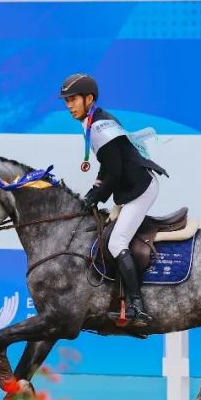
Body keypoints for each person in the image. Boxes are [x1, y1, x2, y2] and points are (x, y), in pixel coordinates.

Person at [60, 73, 168, 328]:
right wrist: (94, 192)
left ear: (89, 99)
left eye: (73, 99)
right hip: (127, 188)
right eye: (66, 101)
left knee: (116, 241)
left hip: (139, 190)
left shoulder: (99, 127)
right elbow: (108, 166)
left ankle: (137, 305)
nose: (69, 106)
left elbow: (116, 172)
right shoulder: (93, 120)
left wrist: (96, 197)